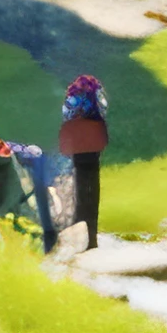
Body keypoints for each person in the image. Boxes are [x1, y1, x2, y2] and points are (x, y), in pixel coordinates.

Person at [58, 71, 108, 249]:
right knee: (93, 194)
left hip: (77, 148)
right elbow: (103, 111)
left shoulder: (72, 95)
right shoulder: (96, 95)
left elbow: (66, 116)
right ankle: (92, 239)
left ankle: (81, 237)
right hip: (93, 146)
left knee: (78, 193)